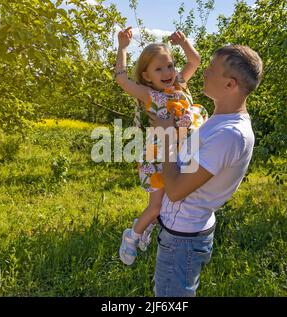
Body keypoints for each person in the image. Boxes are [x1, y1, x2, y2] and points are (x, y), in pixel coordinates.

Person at [152, 45, 263, 296]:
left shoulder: (229, 134)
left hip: (183, 238)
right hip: (184, 232)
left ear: (230, 84)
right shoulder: (218, 120)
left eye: (212, 68)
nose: (204, 72)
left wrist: (167, 135)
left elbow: (177, 190)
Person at [114, 27, 208, 265]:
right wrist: (122, 48)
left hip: (181, 156)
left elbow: (195, 60)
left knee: (168, 205)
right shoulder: (150, 95)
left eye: (170, 66)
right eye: (159, 69)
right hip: (159, 158)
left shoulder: (180, 84)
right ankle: (132, 236)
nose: (167, 72)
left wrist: (184, 41)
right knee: (156, 207)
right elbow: (122, 79)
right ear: (147, 76)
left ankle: (144, 228)